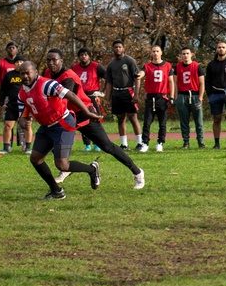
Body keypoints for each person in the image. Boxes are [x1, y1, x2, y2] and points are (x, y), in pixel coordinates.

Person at [43, 49, 146, 190]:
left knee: (107, 146)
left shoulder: (68, 76)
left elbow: (64, 99)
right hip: (65, 114)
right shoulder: (47, 73)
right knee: (50, 140)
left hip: (84, 113)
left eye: (54, 60)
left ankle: (138, 172)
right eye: (48, 60)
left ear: (61, 61)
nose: (51, 63)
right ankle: (70, 168)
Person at [17, 61, 103, 200]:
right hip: (46, 127)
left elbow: (71, 95)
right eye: (22, 73)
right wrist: (23, 122)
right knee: (35, 159)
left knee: (62, 165)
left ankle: (92, 169)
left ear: (35, 72)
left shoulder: (47, 84)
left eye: (28, 73)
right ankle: (56, 191)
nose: (25, 76)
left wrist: (86, 112)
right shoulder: (22, 92)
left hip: (61, 123)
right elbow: (22, 115)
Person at [104, 40, 144, 151]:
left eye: (119, 47)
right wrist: (107, 99)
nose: (118, 49)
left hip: (128, 91)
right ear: (113, 49)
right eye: (115, 47)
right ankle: (124, 144)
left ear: (123, 48)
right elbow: (109, 82)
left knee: (133, 117)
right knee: (120, 118)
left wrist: (136, 94)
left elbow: (137, 78)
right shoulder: (111, 65)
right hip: (117, 93)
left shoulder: (129, 61)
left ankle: (140, 143)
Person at [137, 45, 172, 152]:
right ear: (151, 53)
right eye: (153, 51)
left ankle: (160, 142)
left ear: (161, 53)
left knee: (162, 122)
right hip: (151, 97)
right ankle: (145, 143)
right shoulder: (147, 66)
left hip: (162, 97)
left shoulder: (167, 66)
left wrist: (172, 96)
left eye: (157, 51)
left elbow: (171, 81)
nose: (155, 53)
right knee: (147, 122)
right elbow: (142, 73)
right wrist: (138, 75)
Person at [72, 48, 107, 152]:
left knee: (96, 117)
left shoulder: (96, 66)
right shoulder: (74, 68)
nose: (84, 56)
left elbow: (108, 78)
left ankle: (97, 143)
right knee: (83, 119)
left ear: (89, 56)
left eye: (86, 54)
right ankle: (87, 144)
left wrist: (103, 92)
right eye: (81, 54)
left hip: (93, 95)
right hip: (80, 96)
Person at [0, 42, 26, 151]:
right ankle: (8, 145)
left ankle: (24, 145)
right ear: (6, 49)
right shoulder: (1, 63)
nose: (11, 50)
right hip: (8, 96)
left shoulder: (24, 69)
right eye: (9, 48)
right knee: (8, 122)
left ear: (17, 49)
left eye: (14, 48)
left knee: (23, 123)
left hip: (22, 98)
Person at [171, 47, 206, 149]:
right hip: (183, 95)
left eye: (187, 53)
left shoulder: (197, 66)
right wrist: (176, 97)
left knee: (198, 120)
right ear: (181, 55)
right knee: (184, 121)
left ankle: (200, 141)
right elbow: (175, 83)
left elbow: (202, 83)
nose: (185, 55)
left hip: (194, 95)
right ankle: (186, 142)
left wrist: (200, 98)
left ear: (191, 54)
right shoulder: (178, 67)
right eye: (183, 54)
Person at [0, 63, 33, 154]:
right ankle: (6, 147)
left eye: (21, 62)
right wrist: (2, 102)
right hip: (12, 104)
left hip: (25, 105)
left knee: (27, 125)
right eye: (17, 62)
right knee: (8, 125)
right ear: (15, 64)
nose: (19, 64)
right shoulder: (9, 75)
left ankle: (28, 147)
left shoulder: (28, 75)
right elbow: (3, 89)